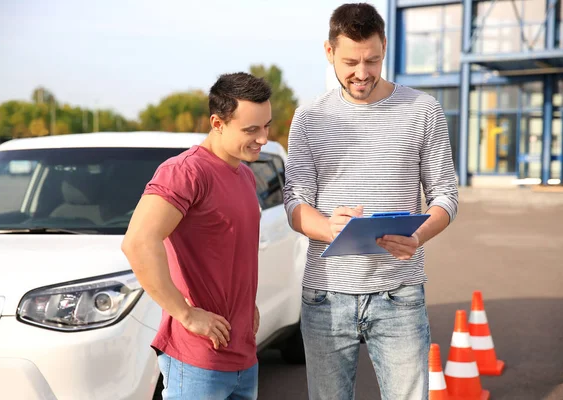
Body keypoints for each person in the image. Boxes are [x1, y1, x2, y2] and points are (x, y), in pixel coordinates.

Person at [283, 3, 459, 400]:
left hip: (400, 293)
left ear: (384, 49)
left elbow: (446, 194)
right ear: (328, 52)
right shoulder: (309, 116)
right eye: (349, 62)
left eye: (372, 60)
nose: (361, 73)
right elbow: (295, 200)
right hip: (326, 297)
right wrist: (326, 226)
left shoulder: (423, 110)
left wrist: (419, 235)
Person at [122, 72, 272, 400]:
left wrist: (247, 306)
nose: (263, 138)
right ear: (217, 123)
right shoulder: (186, 172)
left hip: (244, 355)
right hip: (198, 360)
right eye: (251, 130)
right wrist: (186, 314)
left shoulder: (245, 175)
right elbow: (137, 242)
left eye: (266, 126)